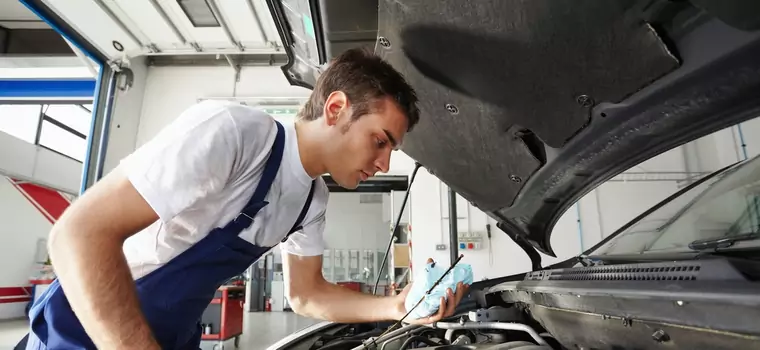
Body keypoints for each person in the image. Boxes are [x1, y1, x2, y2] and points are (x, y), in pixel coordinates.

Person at [24, 48, 470, 349]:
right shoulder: (234, 133)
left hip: (171, 335)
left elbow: (307, 295)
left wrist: (397, 307)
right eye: (380, 140)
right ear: (336, 110)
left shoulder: (310, 201)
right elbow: (77, 235)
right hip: (89, 325)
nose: (385, 163)